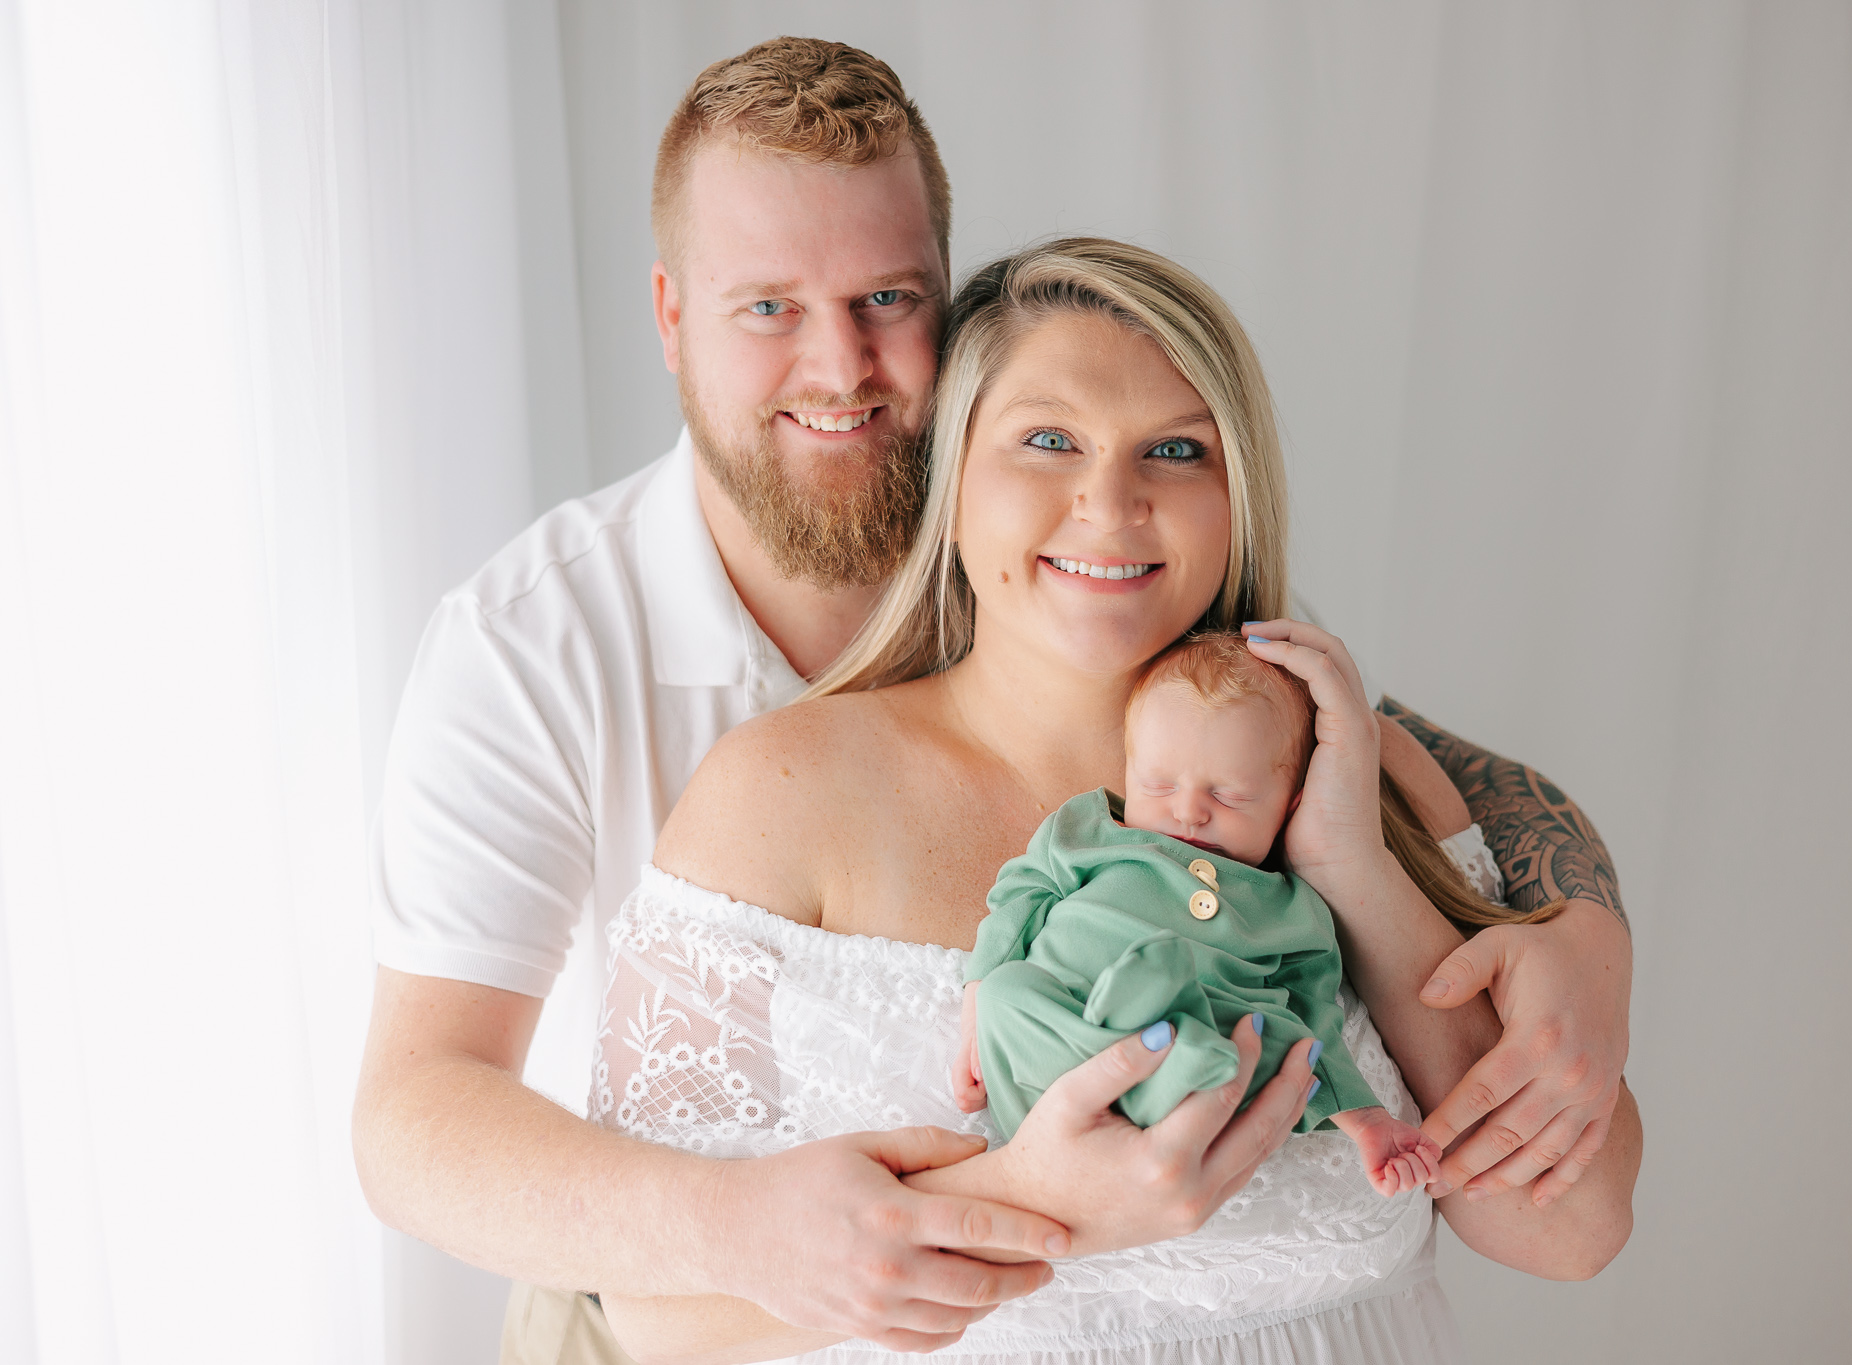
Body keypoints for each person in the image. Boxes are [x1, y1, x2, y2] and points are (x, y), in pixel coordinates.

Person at [350, 37, 1636, 1363]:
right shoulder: (551, 650)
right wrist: (947, 1210)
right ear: (672, 316)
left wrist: (1580, 916)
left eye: (887, 298)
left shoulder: (1247, 715)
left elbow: (1563, 1184)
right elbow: (432, 1128)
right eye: (767, 307)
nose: (840, 367)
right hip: (643, 1247)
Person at [590, 237, 1639, 1363]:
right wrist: (1030, 1208)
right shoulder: (781, 795)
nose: (1110, 501)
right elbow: (652, 1319)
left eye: (1176, 451)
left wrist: (1351, 869)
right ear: (949, 489)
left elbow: (1569, 1231)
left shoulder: (1358, 765)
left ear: (1237, 499)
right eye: (1046, 441)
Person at [953, 630, 1445, 1199]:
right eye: (1158, 785)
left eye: (1231, 796)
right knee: (1008, 991)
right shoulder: (1089, 833)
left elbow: (1316, 1020)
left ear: (1291, 805)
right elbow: (1021, 896)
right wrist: (977, 995)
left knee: (1259, 1037)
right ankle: (1154, 1043)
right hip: (1057, 1063)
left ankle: (1174, 1046)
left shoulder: (1292, 909)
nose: (1188, 811)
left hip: (1207, 1051)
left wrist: (1367, 1121)